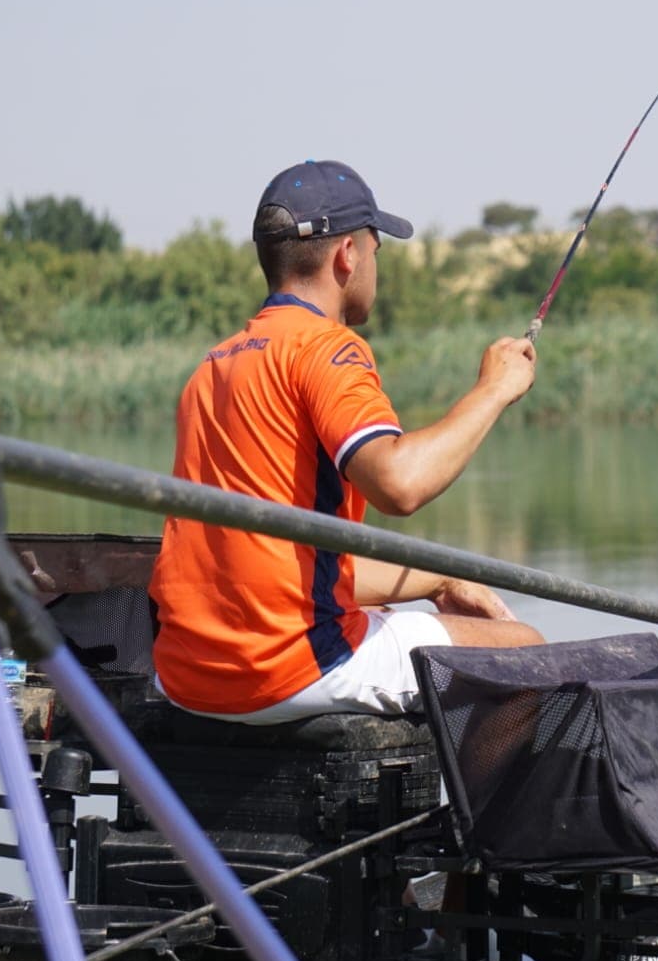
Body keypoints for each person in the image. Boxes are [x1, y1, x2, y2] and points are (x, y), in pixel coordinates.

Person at [149, 159, 544, 725]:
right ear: (348, 256)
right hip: (286, 671)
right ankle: (491, 819)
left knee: (391, 610)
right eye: (376, 250)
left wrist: (438, 581)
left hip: (187, 676)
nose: (374, 265)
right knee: (525, 649)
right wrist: (493, 390)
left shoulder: (213, 367)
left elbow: (295, 563)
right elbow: (399, 485)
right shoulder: (328, 349)